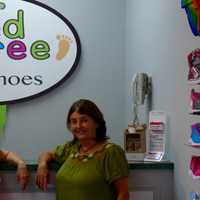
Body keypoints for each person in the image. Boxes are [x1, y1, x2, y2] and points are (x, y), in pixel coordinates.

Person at [36, 99, 129, 200]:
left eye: (84, 120)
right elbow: (47, 154)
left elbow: (123, 194)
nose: (78, 126)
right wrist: (42, 165)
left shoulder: (111, 152)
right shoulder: (71, 148)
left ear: (97, 123)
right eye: (74, 122)